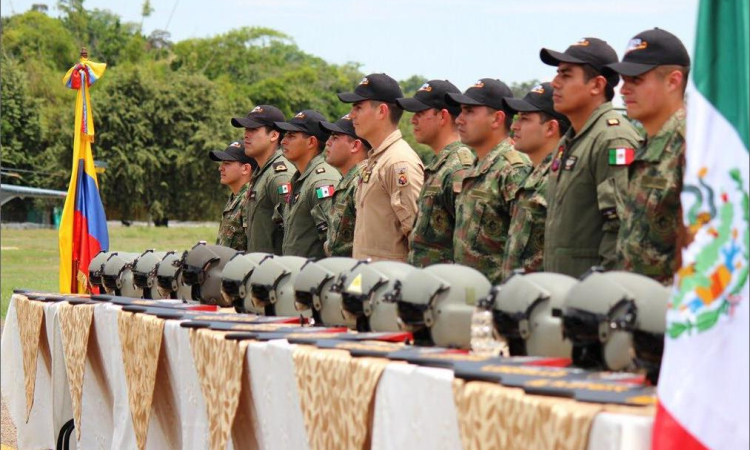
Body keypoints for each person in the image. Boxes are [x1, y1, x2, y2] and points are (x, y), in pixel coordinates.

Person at [539, 37, 641, 278]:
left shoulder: (612, 138)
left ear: (596, 85)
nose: (555, 83)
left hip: (591, 296)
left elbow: (619, 230)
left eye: (566, 75)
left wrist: (602, 295)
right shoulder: (571, 140)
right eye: (557, 74)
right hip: (563, 289)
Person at [605, 28, 690, 284]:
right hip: (637, 306)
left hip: (675, 311)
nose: (623, 90)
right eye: (622, 79)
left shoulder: (693, 147)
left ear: (673, 81)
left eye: (636, 80)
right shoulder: (646, 145)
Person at [447, 78, 532, 284]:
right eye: (461, 111)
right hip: (468, 293)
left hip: (497, 295)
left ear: (497, 119)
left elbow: (526, 248)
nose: (459, 120)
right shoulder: (475, 167)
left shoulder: (513, 169)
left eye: (469, 111)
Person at [337, 73, 425, 261]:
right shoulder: (378, 159)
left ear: (382, 111)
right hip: (369, 281)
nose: (351, 115)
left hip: (389, 283)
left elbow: (417, 237)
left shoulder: (398, 162)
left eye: (358, 107)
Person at [397, 80, 475, 267]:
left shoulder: (458, 168)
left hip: (445, 286)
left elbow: (469, 243)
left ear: (443, 116)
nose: (412, 120)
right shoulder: (440, 165)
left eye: (420, 113)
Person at [500, 82, 571, 280]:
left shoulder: (561, 178)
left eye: (524, 119)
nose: (514, 126)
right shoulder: (531, 175)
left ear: (550, 128)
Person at [274, 110, 341, 259]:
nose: (284, 141)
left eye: (291, 136)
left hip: (312, 277)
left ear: (311, 142)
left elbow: (332, 243)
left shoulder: (322, 181)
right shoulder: (300, 179)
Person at [231, 105, 295, 254]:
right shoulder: (261, 173)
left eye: (253, 129)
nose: (246, 135)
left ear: (273, 135)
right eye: (246, 129)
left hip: (275, 271)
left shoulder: (279, 176)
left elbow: (292, 231)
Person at [319, 113, 370, 257]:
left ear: (355, 145)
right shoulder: (348, 180)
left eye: (335, 138)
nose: (328, 142)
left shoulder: (361, 181)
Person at [209, 140, 258, 250]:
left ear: (245, 168)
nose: (220, 168)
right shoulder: (236, 198)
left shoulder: (249, 200)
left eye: (227, 163)